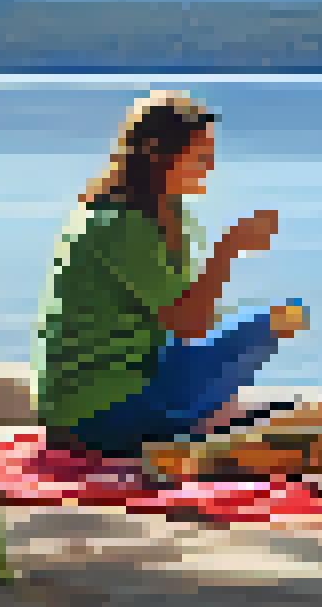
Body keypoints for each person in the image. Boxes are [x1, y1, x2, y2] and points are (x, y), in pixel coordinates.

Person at [36, 92, 308, 457]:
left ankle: (196, 418)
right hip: (95, 414)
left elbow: (187, 324)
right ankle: (190, 424)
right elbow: (188, 325)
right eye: (199, 157)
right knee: (269, 323)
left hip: (144, 376)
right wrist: (227, 249)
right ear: (157, 154)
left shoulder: (172, 216)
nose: (209, 168)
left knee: (278, 317)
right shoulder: (117, 224)